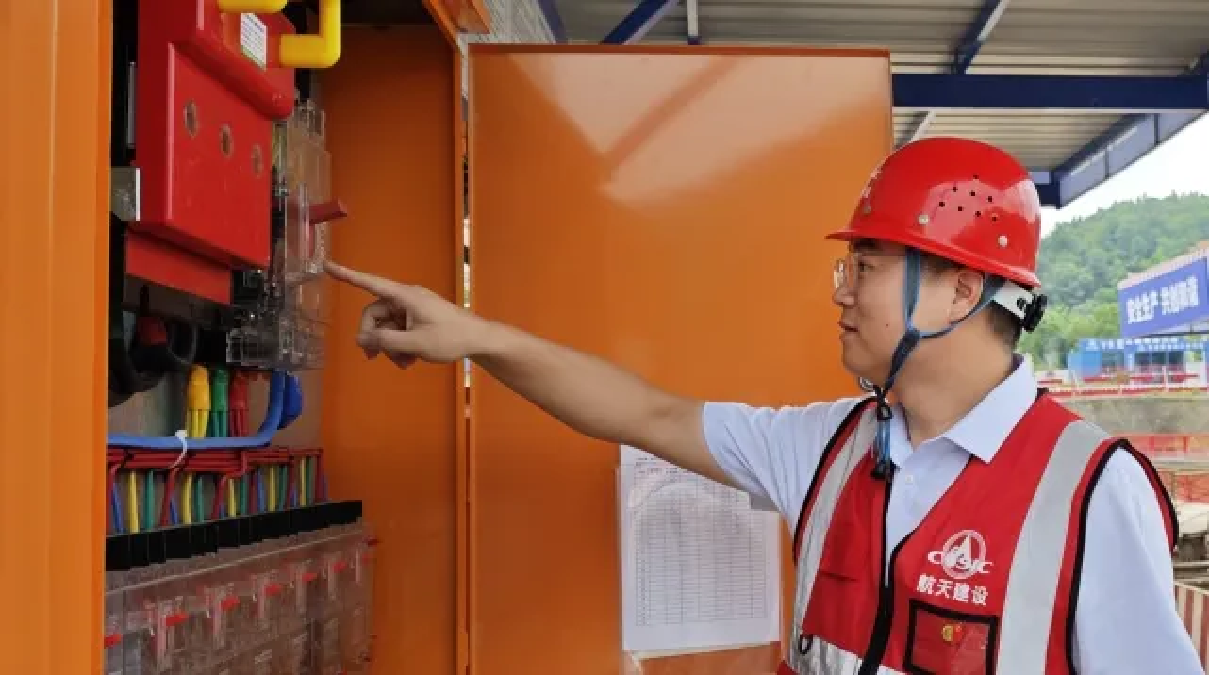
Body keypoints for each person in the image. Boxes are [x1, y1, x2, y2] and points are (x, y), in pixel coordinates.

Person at [325, 137, 1204, 675]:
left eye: (866, 268)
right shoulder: (832, 447)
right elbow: (643, 413)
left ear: (960, 291)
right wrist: (474, 336)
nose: (842, 292)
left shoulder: (1090, 492)